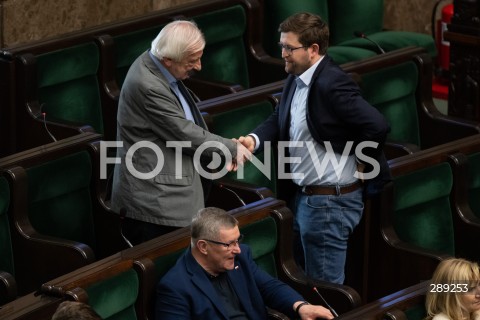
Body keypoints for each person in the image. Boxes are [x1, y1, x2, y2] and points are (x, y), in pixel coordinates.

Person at [238, 12, 391, 284]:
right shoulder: (296, 76)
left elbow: (377, 125)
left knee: (324, 292)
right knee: (306, 284)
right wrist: (254, 140)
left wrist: (363, 158)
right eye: (281, 45)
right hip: (306, 199)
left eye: (288, 47)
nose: (282, 53)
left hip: (328, 204)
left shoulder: (332, 83)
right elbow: (279, 118)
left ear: (313, 49)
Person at [111, 20, 250, 246]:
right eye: (192, 61)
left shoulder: (161, 67)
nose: (199, 67)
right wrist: (232, 148)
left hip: (170, 194)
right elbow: (184, 133)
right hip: (156, 203)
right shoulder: (147, 84)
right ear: (168, 60)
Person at [155, 207, 334, 320]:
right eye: (229, 244)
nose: (238, 249)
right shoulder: (175, 287)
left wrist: (300, 306)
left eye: (238, 240)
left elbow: (269, 287)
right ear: (203, 247)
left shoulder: (240, 258)